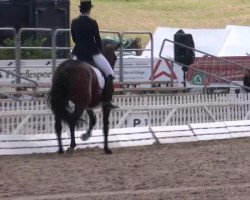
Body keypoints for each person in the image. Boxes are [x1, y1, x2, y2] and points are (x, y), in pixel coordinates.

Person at [71, 0, 118, 109]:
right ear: (89, 9)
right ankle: (107, 100)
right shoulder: (92, 22)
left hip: (77, 53)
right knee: (109, 72)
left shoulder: (74, 22)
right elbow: (97, 39)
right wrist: (99, 50)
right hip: (92, 53)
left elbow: (74, 39)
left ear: (80, 9)